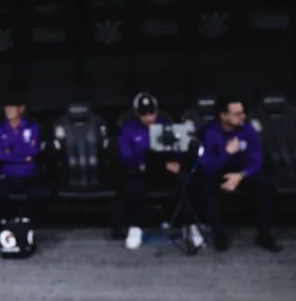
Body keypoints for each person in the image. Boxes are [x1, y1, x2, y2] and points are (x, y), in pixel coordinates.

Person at [193, 97, 281, 252]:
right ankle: (219, 234)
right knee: (205, 186)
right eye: (237, 114)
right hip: (218, 171)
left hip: (242, 172)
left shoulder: (248, 129)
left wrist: (241, 175)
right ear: (224, 116)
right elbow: (207, 165)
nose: (243, 116)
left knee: (264, 184)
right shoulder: (211, 132)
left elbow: (257, 161)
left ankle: (264, 235)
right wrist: (226, 152)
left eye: (243, 113)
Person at [116, 93, 200, 250]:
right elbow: (126, 156)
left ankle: (189, 226)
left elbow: (179, 149)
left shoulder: (166, 124)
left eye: (151, 113)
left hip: (167, 170)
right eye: (144, 114)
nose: (149, 117)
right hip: (142, 171)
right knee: (134, 187)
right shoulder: (128, 129)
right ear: (137, 113)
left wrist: (176, 161)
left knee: (187, 183)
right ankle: (135, 227)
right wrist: (142, 164)